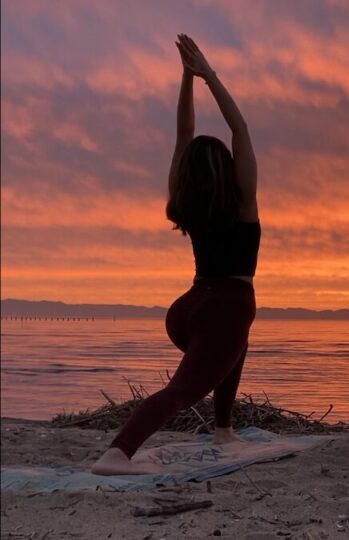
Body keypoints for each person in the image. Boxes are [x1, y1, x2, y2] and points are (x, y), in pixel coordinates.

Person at [92, 34, 259, 475]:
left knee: (236, 342)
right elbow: (239, 129)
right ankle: (117, 453)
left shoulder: (189, 204)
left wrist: (187, 78)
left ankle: (223, 428)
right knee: (184, 391)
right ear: (227, 170)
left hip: (189, 309)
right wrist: (209, 76)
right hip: (225, 307)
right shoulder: (243, 205)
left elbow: (184, 133)